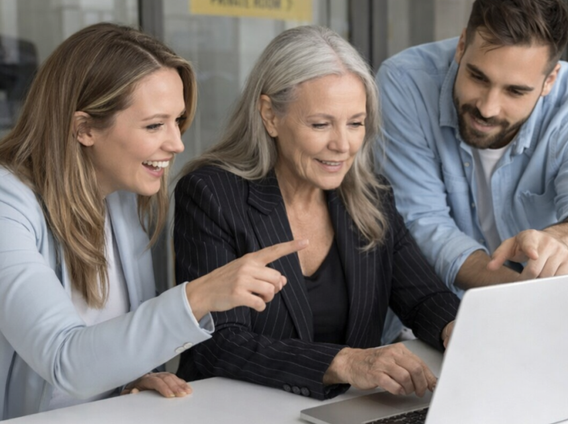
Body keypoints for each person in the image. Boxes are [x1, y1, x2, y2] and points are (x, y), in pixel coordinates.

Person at [0, 23, 305, 424]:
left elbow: (101, 349)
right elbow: (66, 361)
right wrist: (198, 296)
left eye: (176, 120)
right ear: (84, 128)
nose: (177, 143)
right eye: (154, 125)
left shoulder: (120, 197)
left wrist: (127, 378)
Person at [173, 25, 460, 401]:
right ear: (270, 115)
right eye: (321, 124)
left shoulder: (372, 196)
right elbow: (219, 343)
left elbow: (423, 297)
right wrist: (344, 363)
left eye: (356, 123)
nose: (342, 145)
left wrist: (454, 328)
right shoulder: (211, 193)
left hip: (348, 412)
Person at [378, 0, 568, 297]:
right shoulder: (406, 84)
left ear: (550, 79)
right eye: (477, 77)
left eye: (515, 91)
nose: (488, 107)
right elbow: (423, 224)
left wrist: (561, 242)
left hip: (546, 313)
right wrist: (520, 296)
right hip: (434, 311)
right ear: (461, 45)